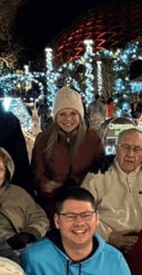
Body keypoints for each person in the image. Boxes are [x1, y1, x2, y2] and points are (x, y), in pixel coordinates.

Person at [81, 128, 142, 253]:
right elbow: (82, 214)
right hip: (105, 246)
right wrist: (107, 236)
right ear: (116, 148)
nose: (131, 154)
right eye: (126, 147)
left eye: (137, 149)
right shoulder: (97, 176)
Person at [31, 87, 104, 217]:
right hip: (53, 206)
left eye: (73, 114)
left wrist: (77, 184)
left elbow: (99, 171)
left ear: (80, 115)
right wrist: (46, 185)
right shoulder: (43, 140)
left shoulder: (93, 139)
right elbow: (37, 172)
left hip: (84, 204)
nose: (68, 119)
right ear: (55, 116)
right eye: (62, 114)